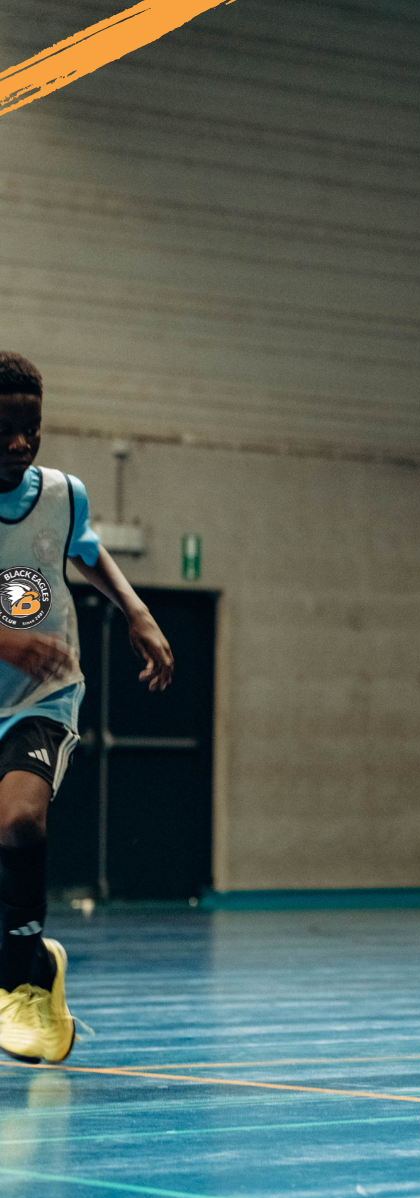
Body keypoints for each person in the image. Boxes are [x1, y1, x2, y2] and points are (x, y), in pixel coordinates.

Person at [0, 352, 173, 1064]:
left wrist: (136, 611)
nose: (20, 443)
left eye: (32, 430)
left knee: (19, 821)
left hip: (41, 698)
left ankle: (21, 983)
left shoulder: (62, 495)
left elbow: (87, 551)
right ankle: (38, 961)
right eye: (5, 430)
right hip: (14, 668)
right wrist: (7, 641)